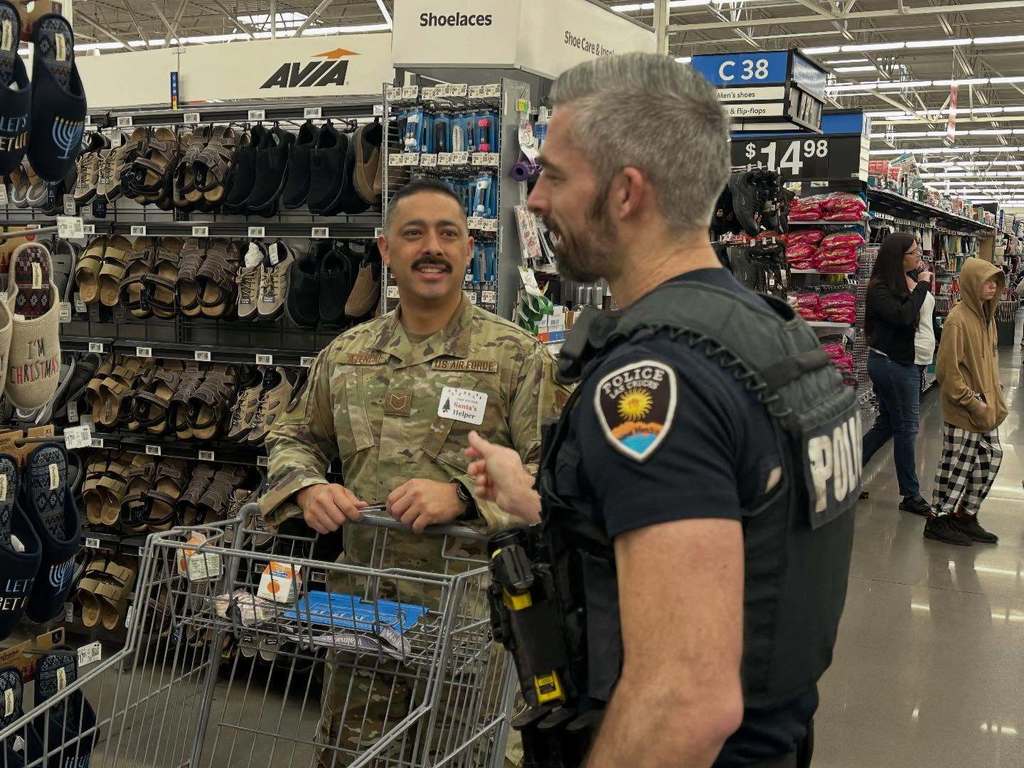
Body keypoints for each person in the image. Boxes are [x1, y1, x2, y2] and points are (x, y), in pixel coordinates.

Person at [466, 53, 858, 768]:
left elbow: (683, 704)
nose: (538, 200)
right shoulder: (770, 335)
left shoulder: (657, 380)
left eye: (554, 175)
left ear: (625, 193)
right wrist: (538, 498)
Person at [258, 177, 567, 767]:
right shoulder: (346, 355)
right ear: (385, 250)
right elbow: (292, 434)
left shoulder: (515, 358)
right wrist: (307, 486)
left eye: (448, 234)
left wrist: (464, 495)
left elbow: (549, 476)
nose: (433, 247)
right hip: (360, 618)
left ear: (468, 248)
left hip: (470, 625)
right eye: (414, 233)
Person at [924, 257, 1007, 546]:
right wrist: (973, 402)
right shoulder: (957, 320)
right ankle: (938, 518)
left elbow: (989, 362)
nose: (993, 286)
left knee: (990, 457)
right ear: (972, 283)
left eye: (996, 281)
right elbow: (948, 372)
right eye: (987, 281)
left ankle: (965, 514)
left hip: (986, 407)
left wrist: (996, 398)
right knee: (956, 463)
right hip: (964, 409)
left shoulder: (988, 318)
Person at [861, 233, 934, 516]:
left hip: (907, 362)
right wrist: (923, 286)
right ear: (898, 257)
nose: (919, 257)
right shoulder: (880, 288)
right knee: (907, 428)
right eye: (914, 253)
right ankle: (910, 495)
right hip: (893, 365)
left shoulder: (908, 280)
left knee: (888, 425)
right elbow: (904, 316)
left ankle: (846, 478)